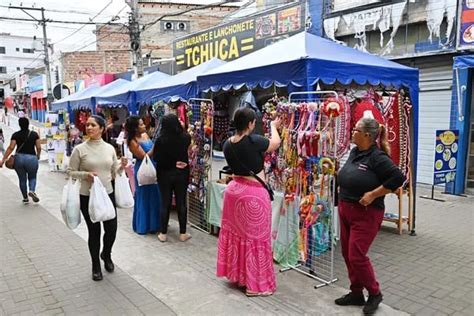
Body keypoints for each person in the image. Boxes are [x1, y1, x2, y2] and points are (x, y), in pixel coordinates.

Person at [335, 117, 405, 314]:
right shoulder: (355, 151)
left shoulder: (378, 157)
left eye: (355, 130)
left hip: (366, 213)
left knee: (357, 255)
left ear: (367, 135)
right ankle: (356, 293)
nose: (352, 132)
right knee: (347, 255)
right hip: (346, 208)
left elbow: (398, 178)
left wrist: (373, 194)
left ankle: (374, 293)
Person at [216, 107, 281, 297]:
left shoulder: (227, 143)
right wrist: (273, 125)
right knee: (256, 240)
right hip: (252, 196)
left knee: (238, 236)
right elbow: (275, 143)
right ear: (251, 124)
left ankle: (239, 275)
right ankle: (255, 285)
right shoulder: (253, 141)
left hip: (234, 192)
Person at [68, 115, 127, 281]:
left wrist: (121, 165)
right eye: (87, 125)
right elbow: (70, 172)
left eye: (93, 125)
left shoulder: (109, 148)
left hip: (108, 194)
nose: (89, 128)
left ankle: (106, 254)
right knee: (94, 232)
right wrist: (85, 175)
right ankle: (95, 265)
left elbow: (114, 171)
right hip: (88, 196)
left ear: (102, 128)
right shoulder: (79, 149)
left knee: (112, 229)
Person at [153, 114, 191, 242]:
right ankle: (183, 233)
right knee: (181, 202)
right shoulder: (186, 138)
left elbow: (157, 158)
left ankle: (163, 234)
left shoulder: (160, 140)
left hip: (164, 174)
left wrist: (171, 163)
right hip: (182, 174)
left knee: (165, 203)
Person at [124, 116, 161, 235]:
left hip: (154, 167)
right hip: (143, 169)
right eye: (141, 124)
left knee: (155, 195)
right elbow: (143, 156)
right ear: (135, 128)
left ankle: (155, 224)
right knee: (144, 197)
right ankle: (144, 225)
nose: (144, 126)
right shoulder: (132, 141)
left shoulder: (145, 135)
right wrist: (156, 146)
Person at [0, 117, 41, 204]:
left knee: (22, 179)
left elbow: (11, 148)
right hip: (32, 158)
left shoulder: (15, 135)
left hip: (19, 159)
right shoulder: (34, 134)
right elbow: (38, 147)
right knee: (32, 177)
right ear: (28, 124)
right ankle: (32, 190)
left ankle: (25, 198)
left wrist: (3, 160)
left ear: (19, 125)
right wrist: (38, 155)